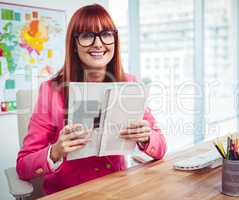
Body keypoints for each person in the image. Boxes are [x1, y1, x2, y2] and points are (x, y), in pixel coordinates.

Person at [16, 4, 167, 195]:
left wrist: (146, 137)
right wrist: (55, 151)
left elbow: (161, 147)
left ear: (114, 40)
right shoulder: (51, 91)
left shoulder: (130, 84)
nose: (98, 43)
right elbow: (23, 166)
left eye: (106, 34)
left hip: (116, 190)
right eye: (87, 35)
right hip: (70, 193)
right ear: (74, 44)